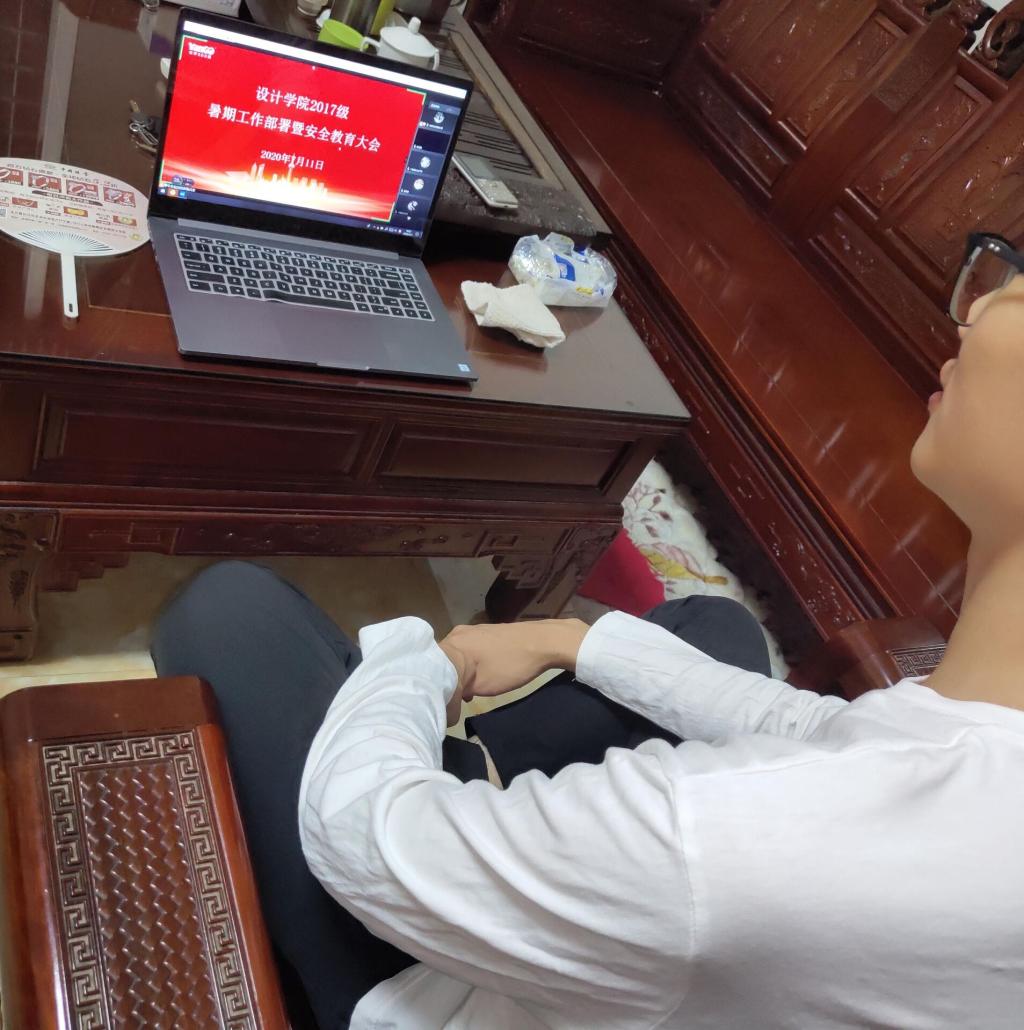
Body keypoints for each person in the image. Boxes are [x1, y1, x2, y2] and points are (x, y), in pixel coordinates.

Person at [151, 232, 1024, 1029]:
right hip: (668, 933)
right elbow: (820, 728)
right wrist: (566, 639)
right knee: (716, 626)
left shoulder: (731, 839)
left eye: (1019, 286)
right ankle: (489, 778)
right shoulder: (969, 767)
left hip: (432, 974)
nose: (981, 303)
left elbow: (365, 839)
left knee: (228, 611)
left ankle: (456, 792)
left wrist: (429, 658)